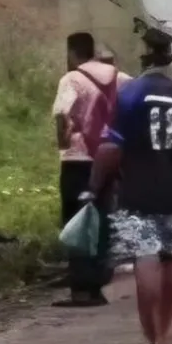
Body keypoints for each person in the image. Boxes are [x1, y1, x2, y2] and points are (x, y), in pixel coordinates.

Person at [84, 28, 172, 344]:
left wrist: (94, 187)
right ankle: (166, 332)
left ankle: (150, 335)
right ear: (169, 56)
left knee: (146, 258)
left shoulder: (128, 95)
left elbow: (111, 147)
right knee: (171, 258)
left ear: (143, 57)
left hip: (137, 190)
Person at [52, 32, 131, 307]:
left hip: (79, 160)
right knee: (101, 220)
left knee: (77, 223)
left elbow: (62, 115)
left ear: (72, 52)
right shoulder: (119, 78)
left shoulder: (71, 78)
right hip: (108, 158)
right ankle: (98, 283)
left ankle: (82, 290)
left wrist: (62, 147)